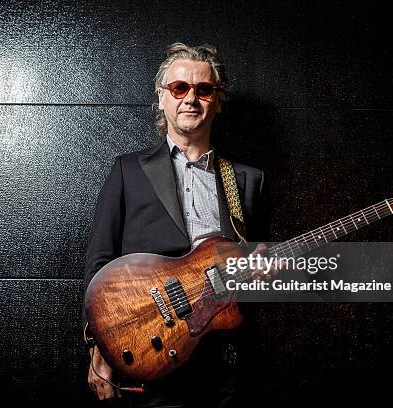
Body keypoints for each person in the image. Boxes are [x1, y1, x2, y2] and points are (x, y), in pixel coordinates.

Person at [83, 43, 266, 407]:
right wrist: (97, 347)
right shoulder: (128, 171)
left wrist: (258, 270)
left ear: (218, 100)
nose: (190, 99)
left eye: (203, 89)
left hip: (221, 366)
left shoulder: (246, 180)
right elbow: (99, 265)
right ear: (162, 99)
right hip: (147, 361)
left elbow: (242, 273)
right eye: (179, 88)